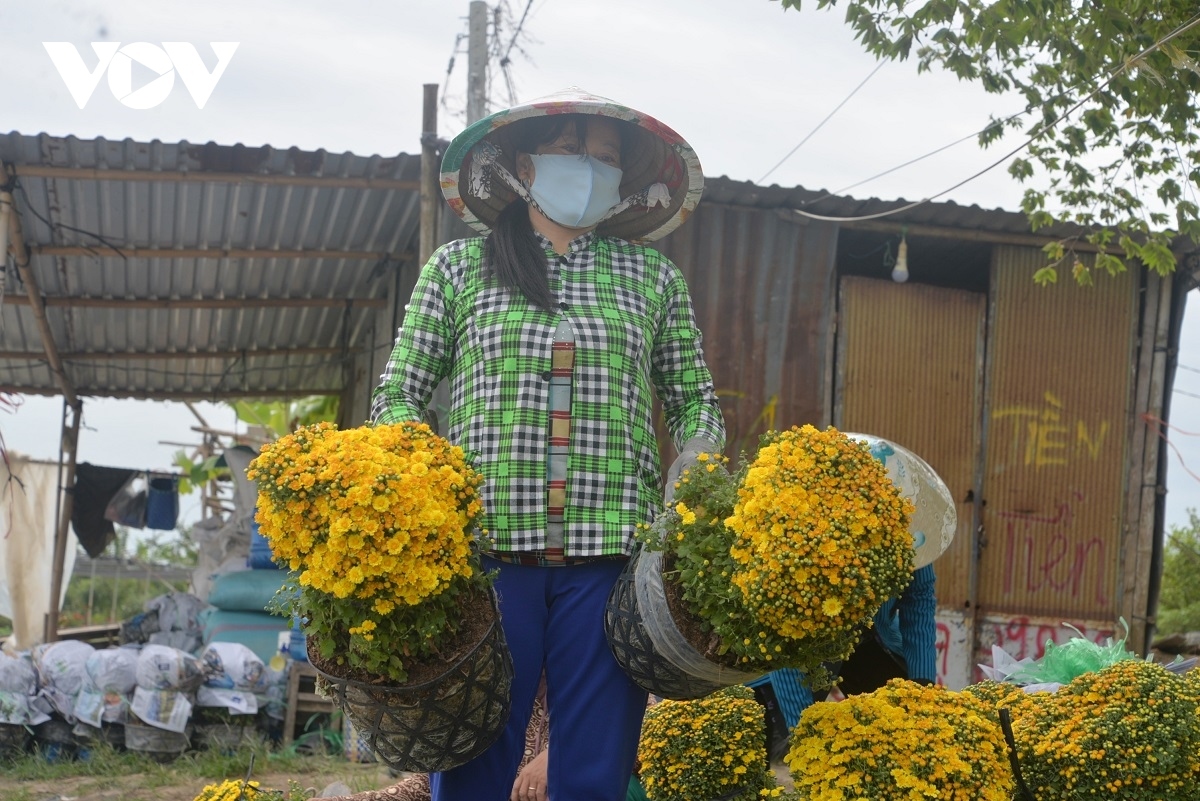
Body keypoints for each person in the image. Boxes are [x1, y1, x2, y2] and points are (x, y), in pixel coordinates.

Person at [370, 88, 725, 801]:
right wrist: (419, 472)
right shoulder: (459, 270)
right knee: (472, 765)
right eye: (569, 152)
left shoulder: (652, 279)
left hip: (608, 562)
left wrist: (698, 460)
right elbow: (398, 395)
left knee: (591, 772)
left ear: (624, 183)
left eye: (604, 159)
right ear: (522, 167)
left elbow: (695, 402)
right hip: (487, 556)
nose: (587, 170)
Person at [750, 563, 938, 762]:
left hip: (872, 637)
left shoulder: (917, 535)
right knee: (778, 744)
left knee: (905, 730)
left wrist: (922, 686)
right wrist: (803, 734)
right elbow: (785, 635)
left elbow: (918, 596)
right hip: (805, 642)